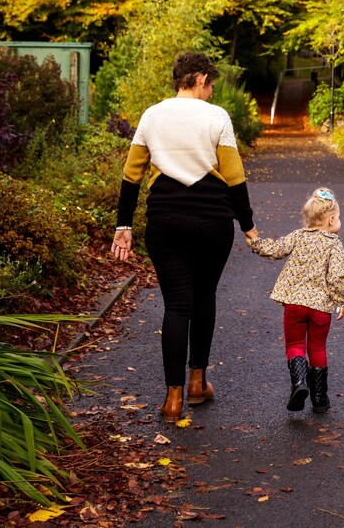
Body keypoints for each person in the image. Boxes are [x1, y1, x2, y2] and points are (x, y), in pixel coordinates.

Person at [111, 52, 258, 423]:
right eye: (211, 84)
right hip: (213, 222)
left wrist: (123, 225)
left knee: (177, 305)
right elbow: (235, 177)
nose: (211, 92)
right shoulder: (217, 117)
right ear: (200, 78)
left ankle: (172, 399)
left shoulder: (151, 115)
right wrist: (248, 225)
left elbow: (131, 177)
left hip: (166, 221)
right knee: (204, 296)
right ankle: (197, 383)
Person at [247, 187, 344, 413]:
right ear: (331, 219)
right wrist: (340, 300)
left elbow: (274, 250)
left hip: (294, 304)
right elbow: (337, 276)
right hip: (321, 307)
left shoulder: (297, 236)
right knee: (318, 347)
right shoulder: (334, 244)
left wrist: (255, 242)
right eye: (339, 217)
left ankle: (299, 384)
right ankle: (320, 399)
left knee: (295, 345)